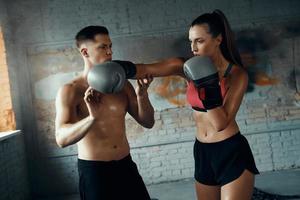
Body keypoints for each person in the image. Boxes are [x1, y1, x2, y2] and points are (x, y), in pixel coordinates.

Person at [135, 9, 259, 200]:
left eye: (199, 41)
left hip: (230, 151)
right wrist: (116, 70)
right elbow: (145, 69)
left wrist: (206, 83)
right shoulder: (186, 68)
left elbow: (220, 123)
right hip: (202, 151)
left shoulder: (236, 75)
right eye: (191, 41)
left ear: (218, 40)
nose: (193, 47)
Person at [54, 25, 181, 200]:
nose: (110, 52)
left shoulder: (121, 84)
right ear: (85, 52)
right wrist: (92, 118)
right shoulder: (71, 90)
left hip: (125, 165)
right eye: (103, 47)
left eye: (110, 46)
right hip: (95, 172)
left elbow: (148, 122)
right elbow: (61, 139)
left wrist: (142, 96)